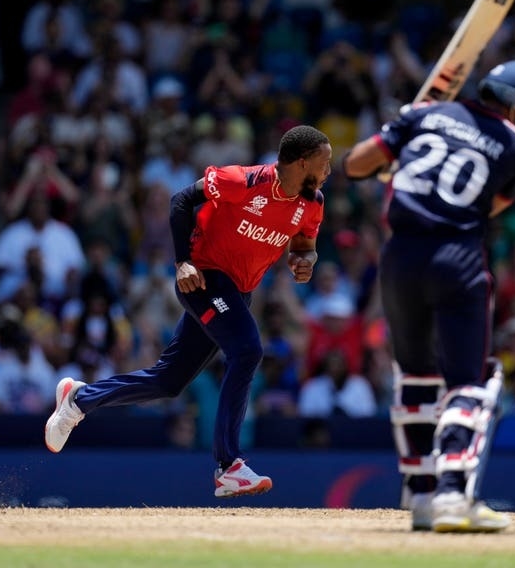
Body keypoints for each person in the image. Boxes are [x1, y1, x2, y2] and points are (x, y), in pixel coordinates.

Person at [45, 125, 332, 498]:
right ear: (302, 162)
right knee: (247, 350)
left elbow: (304, 245)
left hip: (238, 292)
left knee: (169, 381)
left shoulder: (313, 203)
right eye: (324, 164)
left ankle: (80, 399)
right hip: (203, 280)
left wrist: (303, 260)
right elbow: (181, 200)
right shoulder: (241, 181)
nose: (328, 171)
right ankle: (229, 465)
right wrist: (182, 263)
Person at [343, 60, 515, 533]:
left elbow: (354, 165)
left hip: (398, 259)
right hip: (456, 258)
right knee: (470, 381)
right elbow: (490, 205)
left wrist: (397, 150)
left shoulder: (420, 116)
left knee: (415, 378)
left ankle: (420, 497)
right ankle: (453, 496)